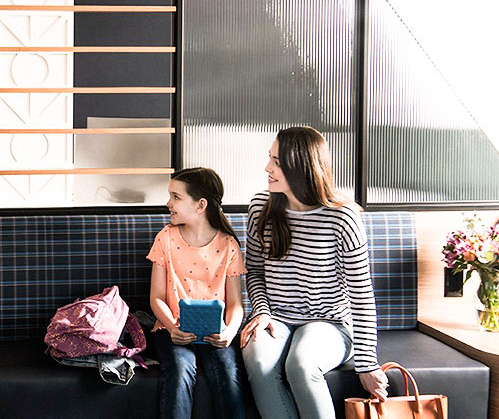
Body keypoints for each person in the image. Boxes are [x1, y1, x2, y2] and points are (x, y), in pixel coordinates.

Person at [239, 126, 388, 419]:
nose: (267, 167)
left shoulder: (342, 217)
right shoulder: (261, 208)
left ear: (301, 167)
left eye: (277, 162)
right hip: (276, 317)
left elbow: (361, 294)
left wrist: (367, 363)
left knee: (302, 365)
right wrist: (262, 311)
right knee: (257, 362)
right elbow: (254, 271)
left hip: (329, 323)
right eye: (270, 158)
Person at [147, 167, 248, 419]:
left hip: (216, 333)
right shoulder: (165, 239)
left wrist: (229, 332)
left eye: (176, 197)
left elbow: (236, 303)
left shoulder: (228, 245)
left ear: (200, 205)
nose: (168, 203)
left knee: (228, 373)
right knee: (180, 369)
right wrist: (172, 328)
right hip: (172, 330)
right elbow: (157, 297)